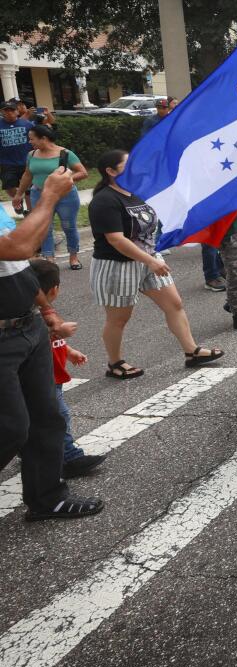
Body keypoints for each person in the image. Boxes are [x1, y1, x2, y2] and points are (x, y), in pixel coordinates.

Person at [0, 165, 104, 520]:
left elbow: (18, 264)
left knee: (47, 418)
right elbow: (19, 246)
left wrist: (46, 310)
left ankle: (47, 498)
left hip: (26, 325)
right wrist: (49, 196)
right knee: (11, 427)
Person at [87, 149, 224, 377]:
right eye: (127, 165)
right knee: (119, 318)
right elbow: (116, 240)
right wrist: (150, 260)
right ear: (110, 171)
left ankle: (192, 352)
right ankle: (115, 363)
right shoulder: (104, 201)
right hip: (118, 266)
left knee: (174, 304)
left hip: (149, 259)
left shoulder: (136, 193)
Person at [29, 258, 106, 477]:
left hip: (49, 376)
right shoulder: (37, 316)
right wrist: (58, 332)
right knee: (58, 417)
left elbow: (54, 341)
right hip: (45, 377)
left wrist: (69, 351)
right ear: (54, 289)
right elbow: (42, 338)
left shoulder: (41, 312)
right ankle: (69, 457)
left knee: (37, 417)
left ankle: (30, 451)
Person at [15, 125, 87, 268]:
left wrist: (65, 180)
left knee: (69, 227)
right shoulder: (32, 155)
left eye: (32, 139)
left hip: (65, 195)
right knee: (44, 228)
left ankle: (73, 257)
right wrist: (18, 194)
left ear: (44, 138)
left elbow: (83, 172)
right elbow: (27, 175)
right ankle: (49, 259)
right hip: (38, 194)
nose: (30, 142)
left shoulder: (64, 154)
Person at [1, 99, 34, 214]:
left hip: (26, 161)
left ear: (17, 111)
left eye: (12, 110)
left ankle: (30, 211)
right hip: (7, 162)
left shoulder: (27, 124)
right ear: (2, 112)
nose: (9, 112)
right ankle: (17, 200)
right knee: (9, 186)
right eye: (6, 110)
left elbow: (34, 140)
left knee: (29, 188)